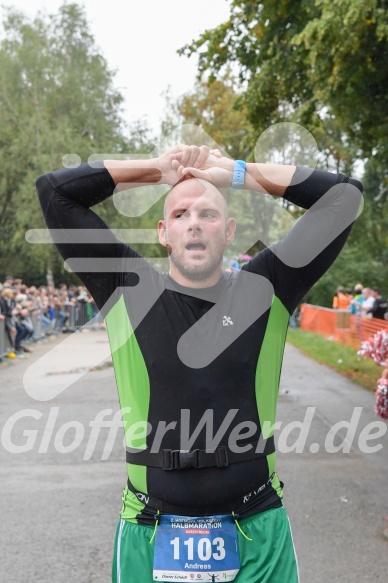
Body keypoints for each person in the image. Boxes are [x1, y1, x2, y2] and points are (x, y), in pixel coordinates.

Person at [36, 144, 363, 583]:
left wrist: (234, 173)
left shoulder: (266, 287)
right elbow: (54, 192)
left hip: (257, 530)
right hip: (149, 530)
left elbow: (344, 197)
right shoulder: (126, 287)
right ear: (162, 232)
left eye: (208, 214)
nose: (194, 223)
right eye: (180, 214)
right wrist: (160, 170)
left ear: (228, 231)